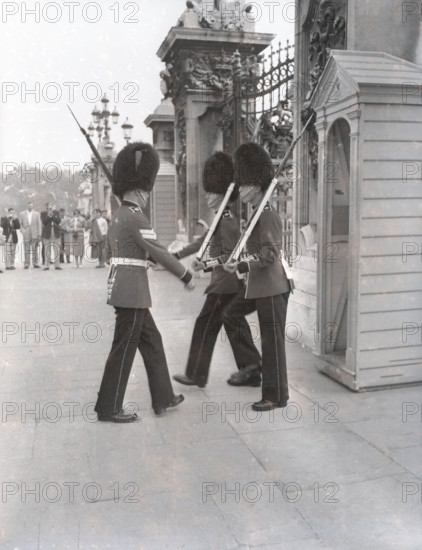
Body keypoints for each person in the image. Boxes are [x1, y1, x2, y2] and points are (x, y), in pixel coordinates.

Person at [95, 142, 195, 423]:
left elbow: (125, 252)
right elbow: (160, 251)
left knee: (152, 341)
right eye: (147, 193)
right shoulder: (136, 217)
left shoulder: (118, 215)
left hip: (125, 289)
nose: (148, 198)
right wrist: (184, 274)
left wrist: (143, 258)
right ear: (140, 191)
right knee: (124, 350)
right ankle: (109, 407)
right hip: (133, 293)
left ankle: (163, 397)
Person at [172, 152, 261, 389]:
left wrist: (207, 265)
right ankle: (251, 369)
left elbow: (232, 256)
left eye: (212, 193)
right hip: (226, 283)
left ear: (223, 194)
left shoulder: (228, 219)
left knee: (205, 325)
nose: (207, 196)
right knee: (233, 323)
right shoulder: (221, 217)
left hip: (225, 283)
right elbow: (203, 242)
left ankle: (196, 374)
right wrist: (176, 255)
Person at [223, 143, 292, 411]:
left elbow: (270, 254)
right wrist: (235, 262)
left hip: (273, 287)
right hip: (263, 288)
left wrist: (243, 266)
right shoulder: (256, 214)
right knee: (267, 341)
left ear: (254, 184)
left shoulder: (268, 214)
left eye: (243, 185)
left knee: (273, 346)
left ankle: (275, 397)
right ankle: (274, 393)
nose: (240, 190)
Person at [19, 201, 42, 269]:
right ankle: (26, 263)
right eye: (28, 205)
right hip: (26, 234)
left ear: (33, 206)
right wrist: (23, 231)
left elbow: (39, 225)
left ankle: (35, 263)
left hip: (34, 234)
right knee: (26, 249)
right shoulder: (22, 214)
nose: (30, 207)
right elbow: (20, 225)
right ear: (27, 206)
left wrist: (39, 234)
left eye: (31, 205)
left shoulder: (37, 214)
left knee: (35, 249)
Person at [41, 204, 62, 270]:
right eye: (48, 206)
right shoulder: (43, 213)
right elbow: (44, 222)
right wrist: (49, 215)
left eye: (51, 206)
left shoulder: (56, 212)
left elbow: (58, 221)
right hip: (47, 232)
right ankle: (46, 265)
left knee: (56, 249)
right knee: (47, 249)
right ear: (46, 207)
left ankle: (57, 265)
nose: (49, 207)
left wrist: (52, 215)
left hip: (55, 232)